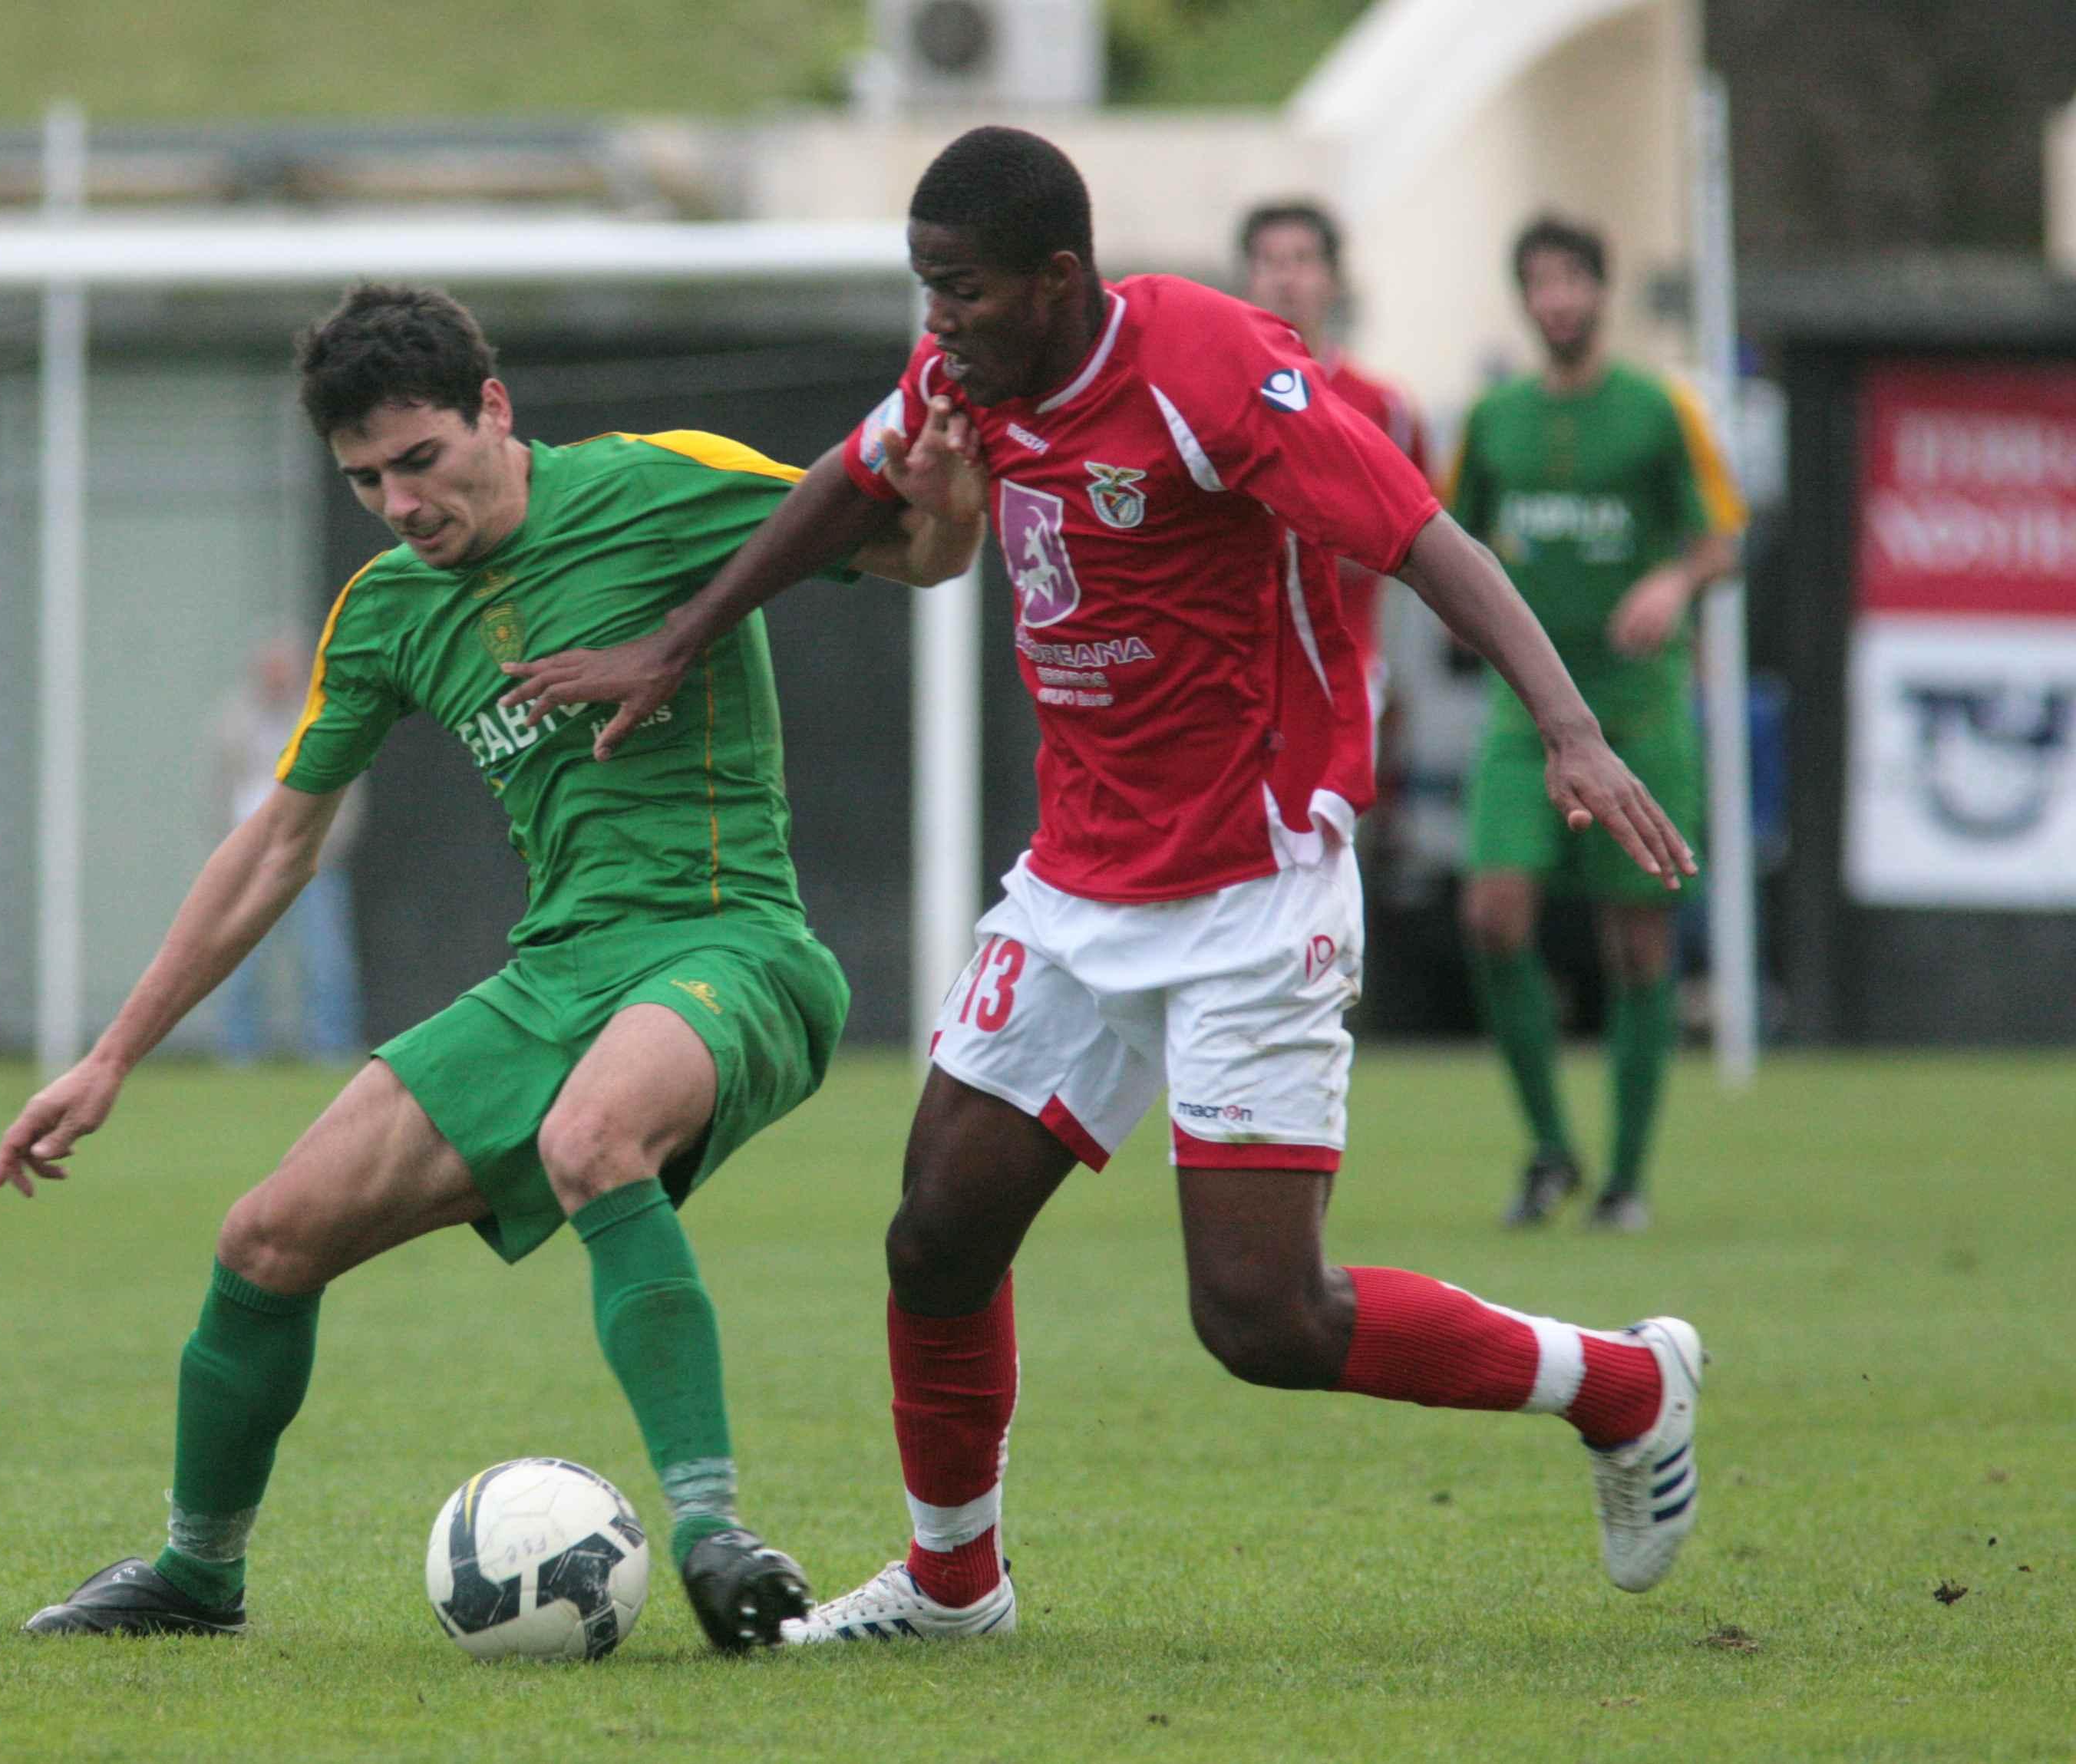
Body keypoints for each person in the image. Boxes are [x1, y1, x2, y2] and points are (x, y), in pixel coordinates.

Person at [501, 127, 1709, 1645]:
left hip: (1253, 886)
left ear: (1058, 280)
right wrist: (676, 642)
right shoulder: (969, 377)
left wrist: (1570, 728)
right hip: (1078, 886)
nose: (937, 321)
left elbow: (1421, 534)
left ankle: (1623, 1384)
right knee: (934, 1233)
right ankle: (953, 1587)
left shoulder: (1211, 372)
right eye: (924, 288)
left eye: (963, 290)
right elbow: (845, 478)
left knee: (1261, 1321)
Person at [0, 283, 985, 1649]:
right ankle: (196, 1573)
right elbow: (277, 841)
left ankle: (712, 1535)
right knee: (264, 1239)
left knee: (594, 1135)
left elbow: (915, 555)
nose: (399, 502)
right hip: (555, 975)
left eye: (420, 459)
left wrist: (951, 496)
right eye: (362, 479)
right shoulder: (389, 609)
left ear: (495, 411)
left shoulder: (656, 486)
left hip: (730, 941)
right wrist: (112, 1054)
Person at [1450, 215, 1745, 1234]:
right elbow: (1449, 542)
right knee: (1490, 914)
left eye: (1573, 279)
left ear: (1600, 291)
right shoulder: (1491, 419)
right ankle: (1546, 1149)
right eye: (1539, 281)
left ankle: (1623, 1177)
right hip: (1521, 712)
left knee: (1637, 944)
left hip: (1636, 706)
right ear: (1522, 297)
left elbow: (1721, 533)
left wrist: (1670, 579)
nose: (1557, 299)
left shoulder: (1659, 410)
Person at [1237, 199, 1431, 730]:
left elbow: (1414, 538)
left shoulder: (1382, 406)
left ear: (1333, 278)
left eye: (1301, 259)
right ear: (1247, 277)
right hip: (1235, 677)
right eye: (1269, 261)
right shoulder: (1216, 398)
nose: (1285, 278)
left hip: (1344, 667)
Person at [213, 636, 365, 1063]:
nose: (277, 676)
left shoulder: (319, 716)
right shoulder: (235, 721)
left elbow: (349, 787)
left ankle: (331, 1047)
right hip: (251, 861)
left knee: (325, 960)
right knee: (239, 958)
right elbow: (220, 788)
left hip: (313, 859)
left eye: (285, 667)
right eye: (271, 667)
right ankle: (239, 1050)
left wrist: (327, 843)